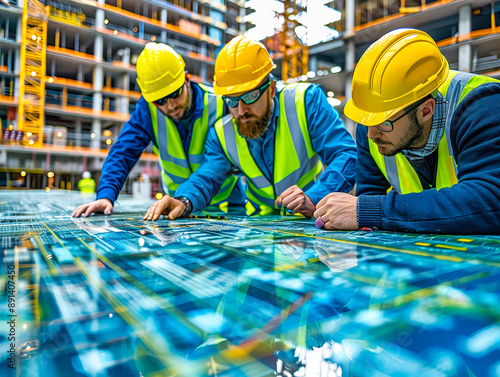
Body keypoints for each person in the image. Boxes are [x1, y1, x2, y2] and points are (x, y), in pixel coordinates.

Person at [143, 36, 357, 221]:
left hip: (309, 222)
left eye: (250, 96)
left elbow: (345, 154)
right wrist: (183, 200)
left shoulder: (306, 102)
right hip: (259, 228)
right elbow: (207, 177)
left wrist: (316, 196)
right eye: (232, 101)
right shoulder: (221, 134)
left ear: (271, 89)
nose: (240, 110)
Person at [314, 28, 500, 234]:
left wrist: (372, 210)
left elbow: (491, 199)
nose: (371, 135)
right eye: (366, 120)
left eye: (383, 122)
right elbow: (368, 206)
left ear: (426, 110)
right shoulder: (370, 130)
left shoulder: (483, 106)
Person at [72, 43, 242, 217]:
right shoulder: (147, 111)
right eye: (160, 101)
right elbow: (122, 152)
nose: (171, 105)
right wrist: (106, 195)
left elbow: (226, 162)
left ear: (187, 79)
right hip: (177, 209)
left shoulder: (220, 105)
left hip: (226, 206)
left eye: (175, 94)